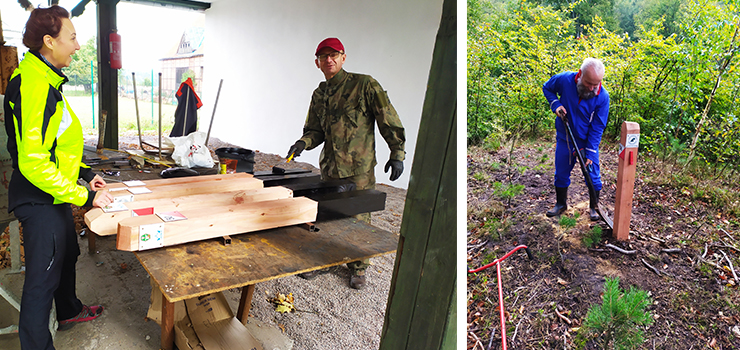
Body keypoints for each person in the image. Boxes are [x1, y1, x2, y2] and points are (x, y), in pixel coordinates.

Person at [3, 6, 114, 349]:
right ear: (49, 42)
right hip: (39, 197)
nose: (78, 46)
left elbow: (54, 146)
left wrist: (85, 174)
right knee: (41, 282)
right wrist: (84, 197)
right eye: (73, 37)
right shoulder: (34, 84)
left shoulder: (48, 80)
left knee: (67, 254)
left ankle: (68, 311)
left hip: (55, 192)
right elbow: (34, 162)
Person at [287, 37, 406, 289]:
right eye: (323, 56)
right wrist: (302, 143)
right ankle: (329, 260)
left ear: (343, 57)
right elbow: (315, 130)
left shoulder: (364, 85)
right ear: (317, 63)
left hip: (358, 168)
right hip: (330, 168)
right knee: (328, 214)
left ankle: (358, 267)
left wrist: (397, 153)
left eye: (334, 55)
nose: (328, 60)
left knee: (359, 217)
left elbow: (388, 118)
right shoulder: (319, 94)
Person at [542, 58, 609, 221]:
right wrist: (556, 104)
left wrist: (591, 152)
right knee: (561, 172)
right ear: (580, 75)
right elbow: (547, 88)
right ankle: (561, 204)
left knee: (593, 175)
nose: (593, 88)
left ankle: (594, 206)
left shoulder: (602, 97)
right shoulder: (564, 80)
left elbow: (598, 126)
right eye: (589, 84)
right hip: (565, 137)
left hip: (587, 142)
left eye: (597, 84)